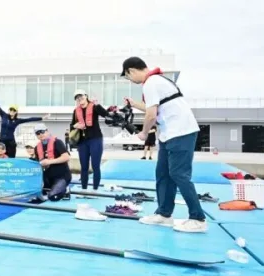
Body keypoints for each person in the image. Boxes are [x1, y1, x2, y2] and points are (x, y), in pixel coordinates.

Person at [121, 57, 206, 233]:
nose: (131, 80)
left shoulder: (151, 82)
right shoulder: (156, 81)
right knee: (163, 174)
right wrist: (135, 104)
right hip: (169, 134)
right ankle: (164, 214)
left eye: (128, 77)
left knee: (179, 174)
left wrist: (144, 133)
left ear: (132, 70)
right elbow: (154, 107)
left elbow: (151, 115)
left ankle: (198, 218)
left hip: (181, 131)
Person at [0, 90, 51, 157]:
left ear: (16, 112)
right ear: (9, 110)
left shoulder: (17, 120)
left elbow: (29, 119)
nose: (12, 111)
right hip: (2, 141)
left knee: (11, 158)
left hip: (11, 142)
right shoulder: (4, 115)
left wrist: (42, 118)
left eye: (14, 110)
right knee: (0, 156)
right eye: (11, 110)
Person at [70, 89, 110, 190]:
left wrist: (98, 104)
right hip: (82, 142)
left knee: (95, 166)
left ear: (86, 96)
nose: (80, 99)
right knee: (84, 167)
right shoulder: (76, 111)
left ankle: (95, 189)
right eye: (77, 98)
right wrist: (76, 125)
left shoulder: (94, 107)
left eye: (81, 96)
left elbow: (106, 114)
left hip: (95, 140)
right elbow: (71, 126)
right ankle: (84, 189)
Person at [28, 123, 72, 201]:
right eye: (37, 133)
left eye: (42, 131)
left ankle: (65, 190)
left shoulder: (57, 142)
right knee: (35, 196)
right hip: (47, 178)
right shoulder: (37, 148)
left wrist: (49, 162)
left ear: (47, 131)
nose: (40, 134)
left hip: (61, 176)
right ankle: (49, 189)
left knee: (53, 196)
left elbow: (66, 157)